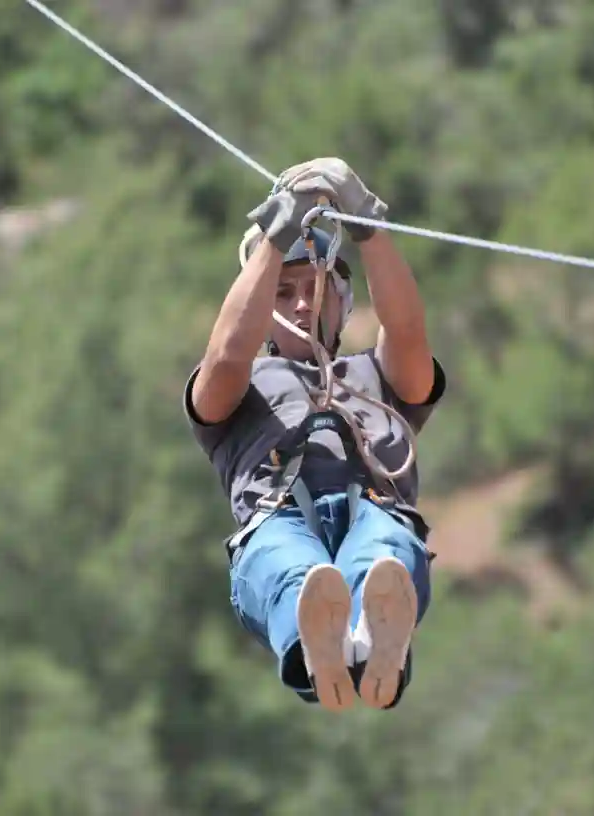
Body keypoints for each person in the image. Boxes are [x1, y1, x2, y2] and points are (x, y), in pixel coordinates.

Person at [182, 157, 447, 711]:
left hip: (377, 509)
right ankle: (319, 638)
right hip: (276, 519)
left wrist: (367, 226)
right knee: (289, 568)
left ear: (343, 300)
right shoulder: (242, 383)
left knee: (385, 553)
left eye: (316, 287)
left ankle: (375, 637)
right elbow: (229, 352)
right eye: (283, 293)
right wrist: (273, 242)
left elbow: (407, 330)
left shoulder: (380, 377)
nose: (303, 304)